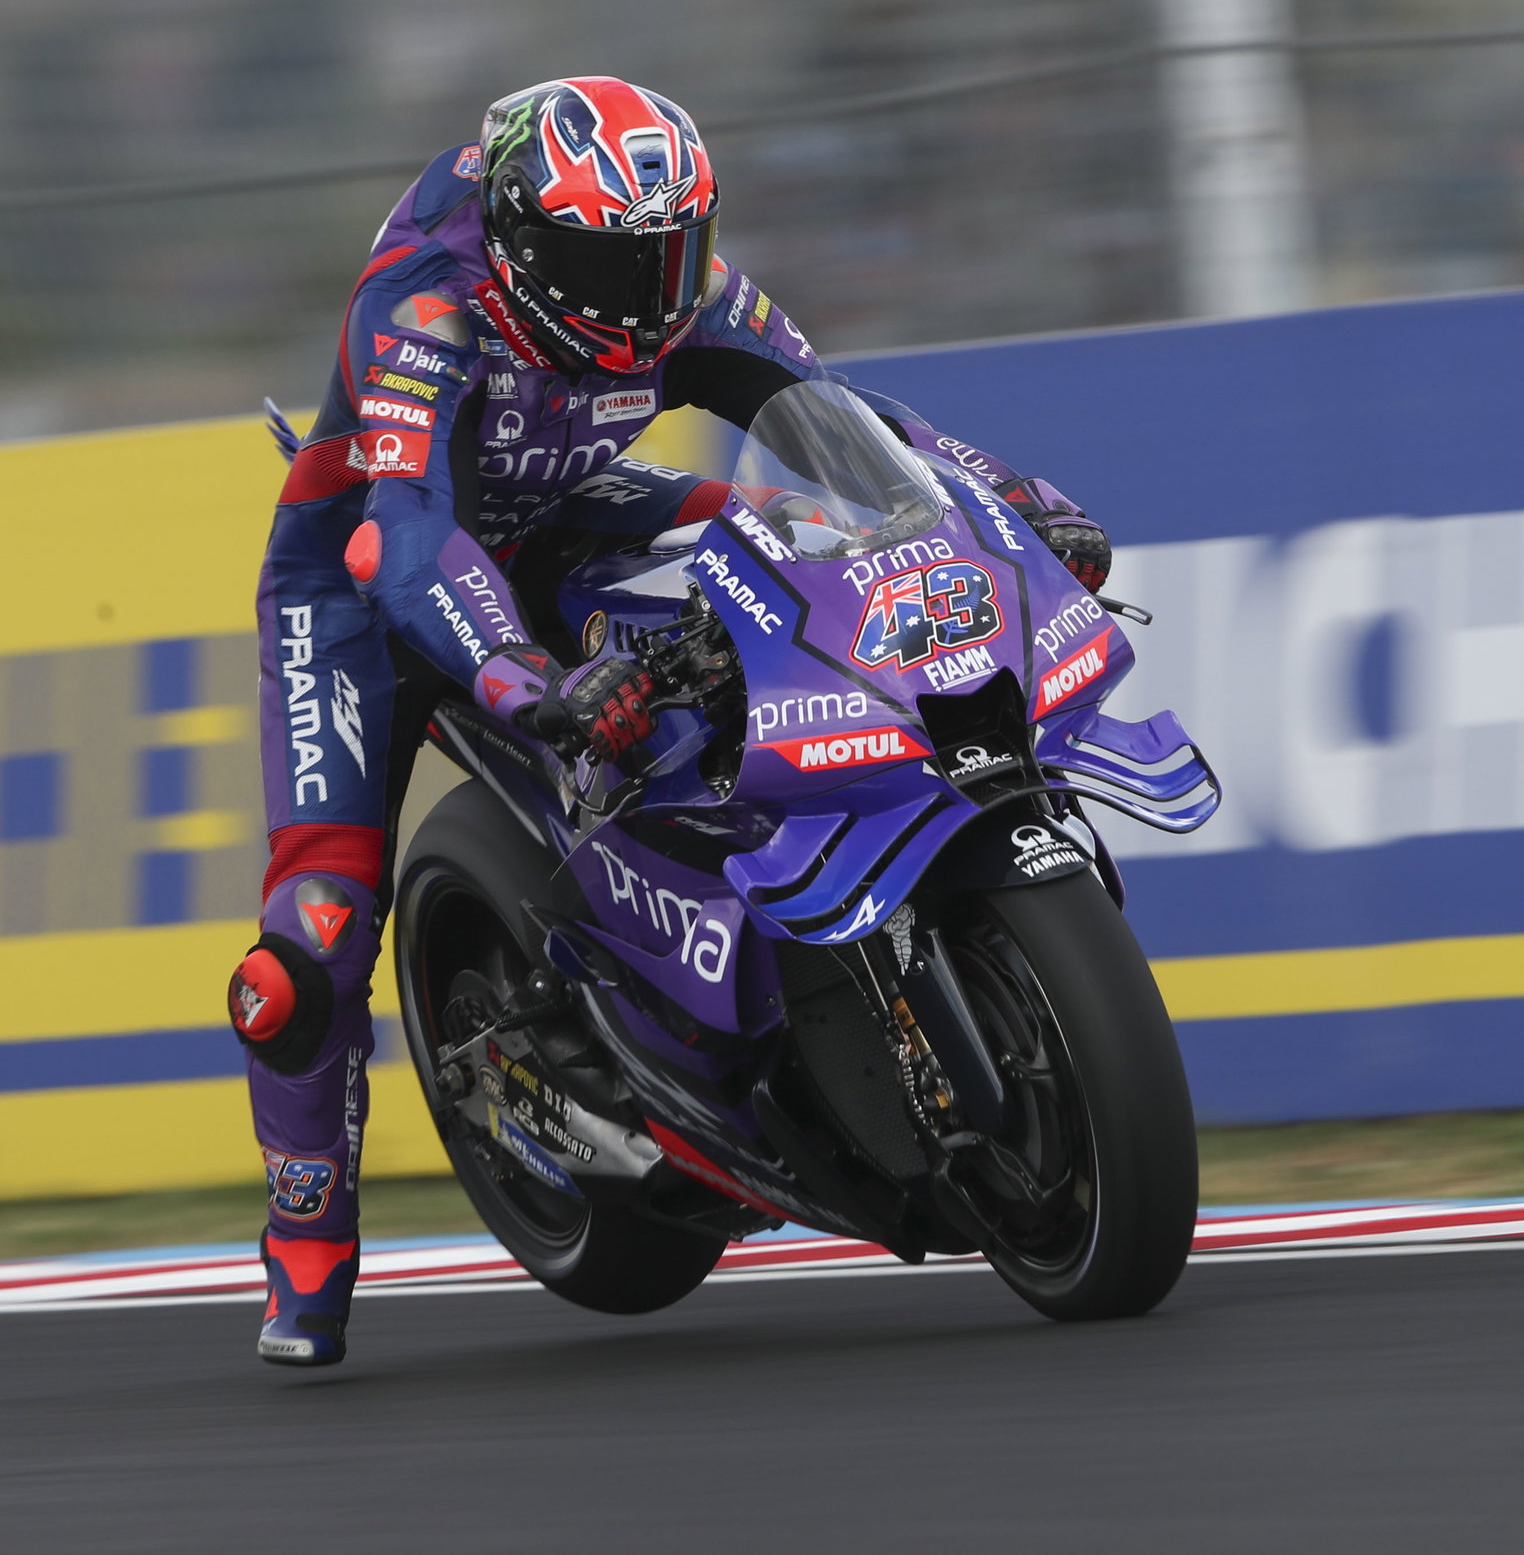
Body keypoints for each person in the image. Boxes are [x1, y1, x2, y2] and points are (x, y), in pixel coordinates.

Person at [228, 76, 1111, 1366]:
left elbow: (842, 424)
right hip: (368, 579)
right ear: (525, 245)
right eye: (611, 261)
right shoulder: (422, 306)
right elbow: (409, 540)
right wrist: (529, 683)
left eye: (672, 248)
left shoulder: (683, 285)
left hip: (572, 512)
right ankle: (305, 1256)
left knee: (784, 550)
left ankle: (746, 983)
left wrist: (1016, 502)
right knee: (303, 953)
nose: (652, 292)